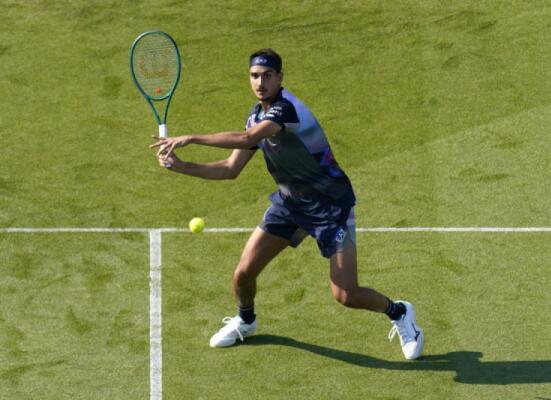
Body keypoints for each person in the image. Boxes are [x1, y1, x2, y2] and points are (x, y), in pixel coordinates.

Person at [150, 48, 424, 360]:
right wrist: (182, 166)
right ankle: (246, 320)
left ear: (280, 77)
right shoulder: (256, 116)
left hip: (330, 208)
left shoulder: (286, 109)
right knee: (243, 273)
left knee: (345, 294)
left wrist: (190, 138)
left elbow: (246, 138)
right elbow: (230, 169)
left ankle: (400, 312)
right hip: (290, 204)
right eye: (255, 76)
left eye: (267, 75)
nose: (260, 82)